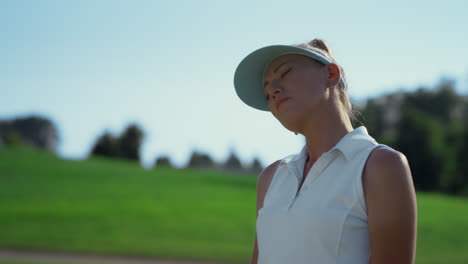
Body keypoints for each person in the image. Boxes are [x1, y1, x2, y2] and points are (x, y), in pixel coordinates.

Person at [233, 39, 417, 264]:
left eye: (286, 72)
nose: (272, 89)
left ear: (331, 74)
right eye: (266, 89)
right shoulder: (270, 178)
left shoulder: (381, 166)